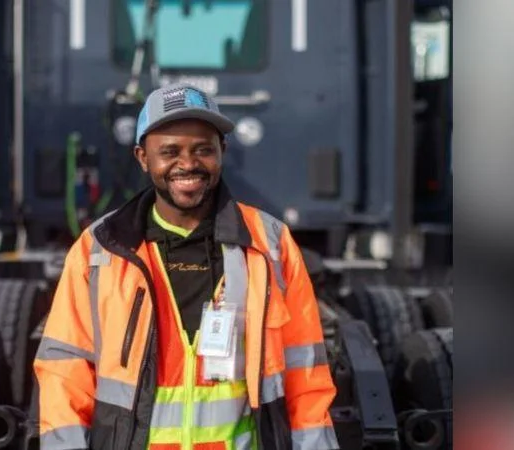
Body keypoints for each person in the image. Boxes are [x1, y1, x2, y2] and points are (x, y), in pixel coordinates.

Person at [34, 83, 340, 450]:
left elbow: (306, 376)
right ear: (143, 157)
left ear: (222, 152)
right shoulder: (100, 249)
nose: (188, 163)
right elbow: (64, 375)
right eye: (169, 151)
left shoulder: (271, 244)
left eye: (203, 150)